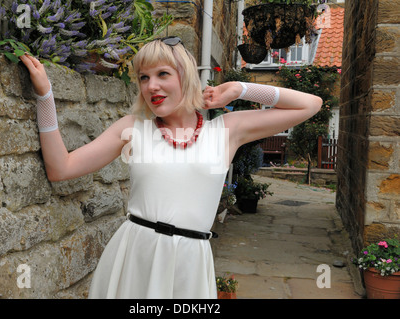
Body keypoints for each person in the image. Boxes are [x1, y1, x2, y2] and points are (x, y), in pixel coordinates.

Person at [19, 36, 322, 299]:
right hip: (135, 256)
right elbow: (61, 168)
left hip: (190, 263)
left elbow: (310, 104)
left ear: (185, 76)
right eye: (143, 77)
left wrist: (240, 89)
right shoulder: (134, 128)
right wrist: (45, 97)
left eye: (163, 74)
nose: (152, 86)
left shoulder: (228, 130)